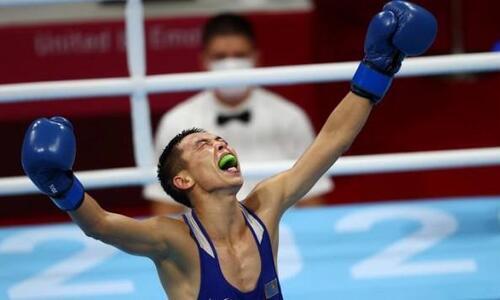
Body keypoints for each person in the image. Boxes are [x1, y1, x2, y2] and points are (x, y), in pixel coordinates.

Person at [21, 2, 437, 299]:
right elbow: (102, 225)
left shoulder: (266, 208)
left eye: (219, 140)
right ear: (183, 180)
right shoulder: (173, 241)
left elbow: (332, 142)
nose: (220, 142)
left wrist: (377, 69)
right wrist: (61, 187)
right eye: (203, 145)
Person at [143, 13, 333, 215]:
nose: (230, 64)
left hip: (281, 236)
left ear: (256, 58)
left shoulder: (291, 118)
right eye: (220, 57)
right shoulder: (176, 122)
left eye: (239, 55)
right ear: (204, 61)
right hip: (202, 240)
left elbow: (312, 203)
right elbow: (165, 207)